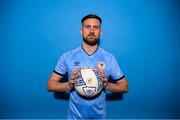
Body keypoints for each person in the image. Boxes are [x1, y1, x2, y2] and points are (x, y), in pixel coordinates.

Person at [47, 14, 128, 119]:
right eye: (87, 27)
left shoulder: (109, 58)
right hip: (74, 117)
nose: (91, 31)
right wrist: (69, 85)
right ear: (81, 31)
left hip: (100, 117)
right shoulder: (67, 57)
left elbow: (124, 87)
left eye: (96, 27)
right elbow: (50, 85)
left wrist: (107, 86)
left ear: (101, 32)